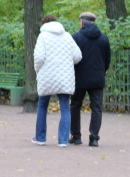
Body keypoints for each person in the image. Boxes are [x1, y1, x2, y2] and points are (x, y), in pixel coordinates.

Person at [32, 15, 83, 147]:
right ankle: (63, 140)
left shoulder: (42, 36)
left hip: (47, 76)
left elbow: (38, 58)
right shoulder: (67, 36)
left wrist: (37, 70)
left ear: (43, 24)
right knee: (65, 107)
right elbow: (78, 56)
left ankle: (40, 138)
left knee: (42, 105)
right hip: (64, 76)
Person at [69, 12, 111, 147]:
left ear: (82, 22)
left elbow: (71, 59)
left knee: (75, 105)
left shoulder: (75, 38)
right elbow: (107, 60)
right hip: (97, 79)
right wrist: (100, 72)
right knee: (97, 108)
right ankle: (94, 138)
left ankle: (76, 136)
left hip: (79, 78)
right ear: (94, 22)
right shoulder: (104, 38)